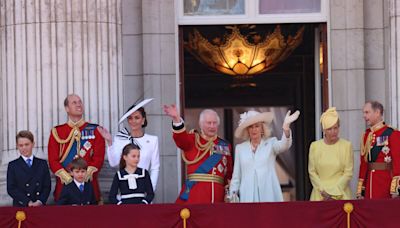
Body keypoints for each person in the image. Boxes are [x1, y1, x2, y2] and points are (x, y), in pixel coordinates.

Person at [163, 104, 233, 204]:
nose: (212, 126)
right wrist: (177, 119)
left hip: (218, 196)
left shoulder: (224, 145)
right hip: (196, 194)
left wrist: (228, 192)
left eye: (214, 123)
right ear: (200, 124)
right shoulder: (193, 140)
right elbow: (180, 139)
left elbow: (228, 172)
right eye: (209, 123)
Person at [229, 109, 299, 202]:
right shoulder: (240, 148)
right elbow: (236, 176)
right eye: (251, 127)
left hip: (268, 193)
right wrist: (232, 194)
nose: (254, 130)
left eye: (257, 126)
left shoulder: (271, 143)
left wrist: (286, 128)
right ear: (247, 130)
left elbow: (284, 145)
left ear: (262, 128)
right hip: (247, 196)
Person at [48, 94, 105, 202]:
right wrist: (68, 178)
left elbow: (98, 158)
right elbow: (53, 160)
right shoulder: (57, 132)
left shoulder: (95, 130)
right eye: (74, 102)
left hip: (89, 188)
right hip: (64, 188)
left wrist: (85, 175)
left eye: (80, 102)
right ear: (67, 108)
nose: (79, 104)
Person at [99, 98, 160, 191]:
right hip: (124, 187)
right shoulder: (121, 138)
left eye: (137, 117)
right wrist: (109, 142)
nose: (133, 121)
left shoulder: (152, 140)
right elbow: (113, 163)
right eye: (130, 118)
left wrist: (150, 189)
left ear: (143, 120)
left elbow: (155, 168)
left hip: (144, 187)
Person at [357, 101, 400, 199]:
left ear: (377, 112)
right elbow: (363, 165)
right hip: (369, 186)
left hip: (385, 184)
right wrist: (360, 190)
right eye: (363, 113)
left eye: (367, 112)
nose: (364, 116)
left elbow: (398, 163)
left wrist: (395, 188)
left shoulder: (392, 133)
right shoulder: (366, 136)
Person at [308, 107, 353, 201]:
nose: (333, 132)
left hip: (341, 194)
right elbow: (312, 172)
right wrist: (323, 191)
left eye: (336, 128)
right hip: (320, 195)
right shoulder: (315, 146)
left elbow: (348, 172)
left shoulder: (346, 146)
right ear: (324, 130)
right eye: (329, 129)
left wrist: (334, 192)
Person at [7, 130, 51, 207]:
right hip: (21, 206)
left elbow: (47, 186)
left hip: (39, 206)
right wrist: (27, 202)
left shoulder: (42, 163)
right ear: (17, 146)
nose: (24, 148)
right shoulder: (13, 165)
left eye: (27, 144)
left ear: (33, 144)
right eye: (21, 145)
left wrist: (40, 201)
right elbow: (11, 188)